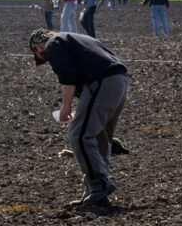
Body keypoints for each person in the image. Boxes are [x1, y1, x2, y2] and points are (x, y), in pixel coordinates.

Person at [28, 29, 128, 206]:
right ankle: (95, 193)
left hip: (101, 81)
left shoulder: (54, 44)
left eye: (39, 55)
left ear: (37, 46)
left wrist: (66, 105)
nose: (44, 59)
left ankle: (99, 184)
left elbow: (68, 76)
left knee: (79, 135)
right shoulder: (78, 39)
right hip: (119, 81)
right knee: (99, 138)